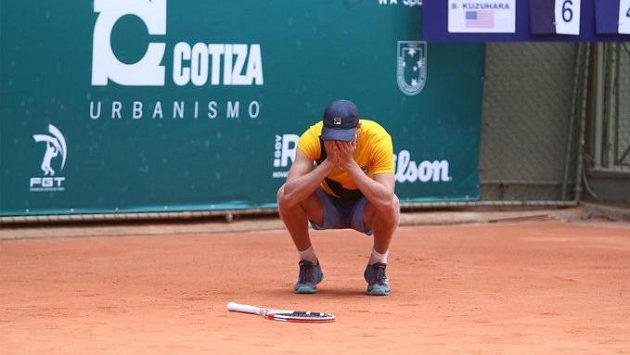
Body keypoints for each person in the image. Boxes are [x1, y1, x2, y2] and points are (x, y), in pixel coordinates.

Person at [277, 99, 399, 296]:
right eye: (332, 137)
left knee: (392, 203)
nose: (338, 143)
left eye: (345, 137)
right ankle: (309, 264)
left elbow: (385, 198)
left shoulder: (377, 138)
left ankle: (377, 266)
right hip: (325, 207)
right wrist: (329, 163)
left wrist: (350, 164)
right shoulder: (312, 137)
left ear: (358, 129)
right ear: (324, 130)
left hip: (364, 207)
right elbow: (289, 194)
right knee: (284, 194)